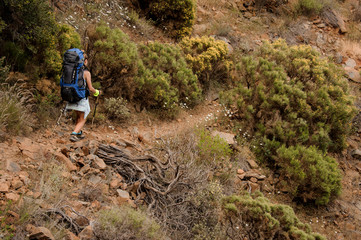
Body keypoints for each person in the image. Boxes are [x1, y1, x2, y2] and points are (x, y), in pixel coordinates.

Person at [66, 52, 100, 142]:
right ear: (85, 61)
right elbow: (90, 88)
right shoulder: (86, 73)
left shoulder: (72, 71)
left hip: (71, 97)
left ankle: (78, 133)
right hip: (81, 98)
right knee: (83, 118)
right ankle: (74, 134)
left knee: (79, 116)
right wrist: (97, 92)